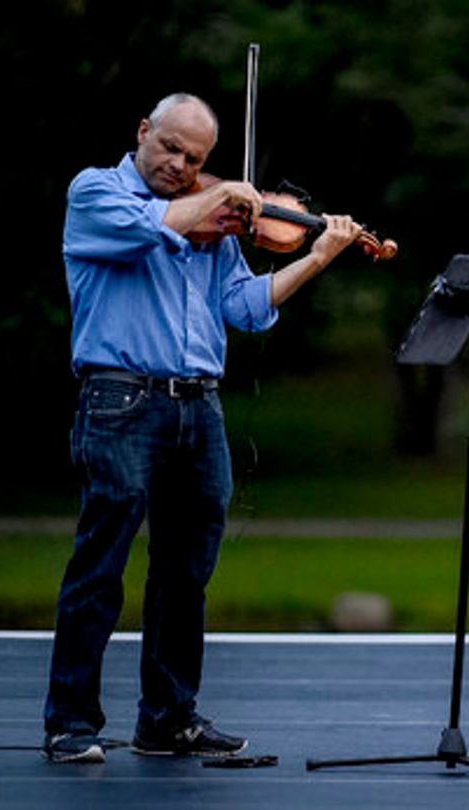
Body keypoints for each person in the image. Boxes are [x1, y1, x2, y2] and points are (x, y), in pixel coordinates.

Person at [43, 93, 368, 763]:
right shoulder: (96, 193)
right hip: (121, 399)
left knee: (186, 572)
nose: (181, 164)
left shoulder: (214, 225)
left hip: (200, 406)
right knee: (100, 565)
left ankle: (167, 718)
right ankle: (69, 721)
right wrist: (225, 200)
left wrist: (317, 256)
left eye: (195, 158)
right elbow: (151, 226)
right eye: (170, 148)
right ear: (142, 130)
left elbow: (244, 309)